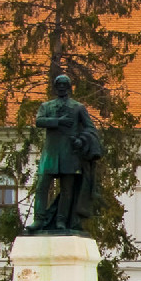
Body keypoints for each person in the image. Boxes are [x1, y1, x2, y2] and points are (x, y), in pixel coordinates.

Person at [31, 74, 103, 234]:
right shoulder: (47, 106)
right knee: (42, 186)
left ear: (69, 87)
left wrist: (81, 140)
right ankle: (39, 219)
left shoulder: (78, 108)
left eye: (64, 84)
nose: (61, 87)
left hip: (70, 154)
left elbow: (90, 128)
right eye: (59, 84)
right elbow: (39, 121)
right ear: (55, 87)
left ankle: (61, 220)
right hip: (50, 153)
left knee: (67, 190)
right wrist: (58, 122)